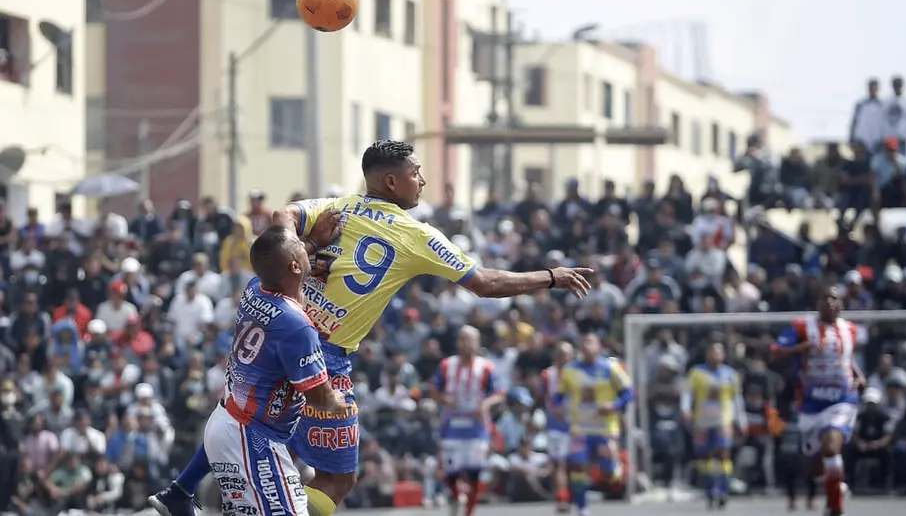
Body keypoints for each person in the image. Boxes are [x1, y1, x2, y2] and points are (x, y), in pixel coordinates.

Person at [153, 140, 593, 516]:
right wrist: (549, 277)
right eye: (416, 173)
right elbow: (485, 283)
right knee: (337, 478)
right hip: (319, 352)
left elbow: (280, 218)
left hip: (273, 327)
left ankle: (181, 490)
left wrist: (307, 247)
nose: (422, 181)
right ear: (390, 182)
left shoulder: (337, 207)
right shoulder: (418, 235)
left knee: (240, 412)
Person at [152, 226, 348, 516]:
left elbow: (278, 262)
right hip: (252, 440)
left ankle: (179, 492)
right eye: (300, 245)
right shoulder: (298, 327)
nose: (306, 247)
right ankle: (179, 493)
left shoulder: (254, 288)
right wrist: (339, 401)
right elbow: (319, 397)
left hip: (226, 422)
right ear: (294, 265)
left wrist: (313, 243)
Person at [772, 288, 865, 516]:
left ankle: (835, 508)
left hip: (841, 400)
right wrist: (801, 348)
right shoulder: (802, 327)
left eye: (835, 298)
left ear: (841, 305)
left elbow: (845, 358)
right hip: (811, 404)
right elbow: (776, 351)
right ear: (817, 303)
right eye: (825, 298)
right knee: (814, 462)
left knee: (832, 447)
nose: (830, 302)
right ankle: (834, 486)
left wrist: (858, 375)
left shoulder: (850, 330)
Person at [554, 333, 633, 516]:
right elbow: (559, 394)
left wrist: (614, 406)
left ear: (599, 346)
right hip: (580, 428)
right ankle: (582, 508)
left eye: (590, 342)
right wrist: (557, 407)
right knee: (578, 467)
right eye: (583, 343)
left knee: (609, 474)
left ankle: (613, 467)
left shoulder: (610, 367)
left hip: (605, 428)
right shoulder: (570, 370)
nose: (586, 346)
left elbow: (629, 393)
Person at [428, 326, 504, 516]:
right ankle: (457, 494)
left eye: (470, 340)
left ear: (478, 343)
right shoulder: (447, 365)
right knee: (449, 471)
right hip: (452, 424)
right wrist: (444, 399)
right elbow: (433, 389)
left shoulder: (486, 367)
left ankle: (469, 511)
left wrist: (486, 404)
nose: (467, 344)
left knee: (474, 471)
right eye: (463, 339)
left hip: (476, 426)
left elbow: (499, 393)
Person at [681, 341, 747, 509]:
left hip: (723, 420)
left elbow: (736, 399)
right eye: (712, 352)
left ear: (724, 355)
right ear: (707, 354)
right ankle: (710, 491)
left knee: (723, 454)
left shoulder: (731, 374)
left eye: (719, 352)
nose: (715, 355)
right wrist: (685, 409)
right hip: (702, 420)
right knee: (705, 457)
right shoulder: (697, 373)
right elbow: (688, 393)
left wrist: (741, 420)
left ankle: (724, 490)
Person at [541, 341, 575, 512]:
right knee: (559, 463)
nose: (563, 359)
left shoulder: (579, 374)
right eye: (560, 355)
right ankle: (562, 497)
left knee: (576, 464)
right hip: (556, 426)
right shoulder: (548, 375)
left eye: (566, 355)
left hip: (577, 425)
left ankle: (574, 494)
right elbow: (543, 398)